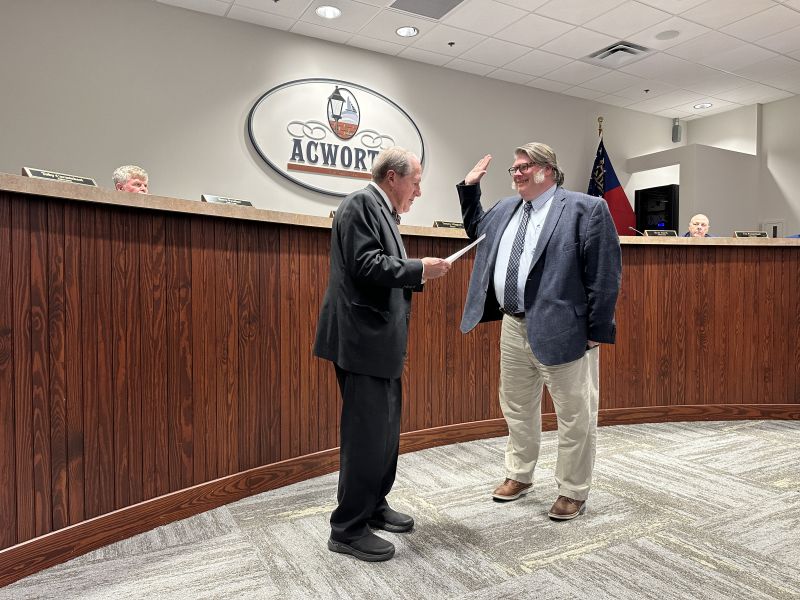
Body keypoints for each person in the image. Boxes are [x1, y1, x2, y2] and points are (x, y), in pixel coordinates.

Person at [456, 143, 621, 521]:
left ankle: (573, 490)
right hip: (513, 325)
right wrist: (470, 189)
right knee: (516, 406)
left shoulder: (585, 208)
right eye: (513, 168)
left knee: (575, 415)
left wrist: (596, 331)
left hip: (566, 331)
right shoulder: (505, 208)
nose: (516, 173)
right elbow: (476, 231)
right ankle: (519, 473)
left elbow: (605, 274)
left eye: (524, 167)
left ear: (547, 169)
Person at [314, 147, 451, 562]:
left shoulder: (383, 211)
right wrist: (419, 269)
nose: (419, 191)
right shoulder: (359, 204)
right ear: (393, 177)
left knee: (386, 432)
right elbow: (365, 265)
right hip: (361, 340)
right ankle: (348, 528)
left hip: (380, 341)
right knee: (366, 435)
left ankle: (374, 505)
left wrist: (417, 272)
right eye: (416, 182)